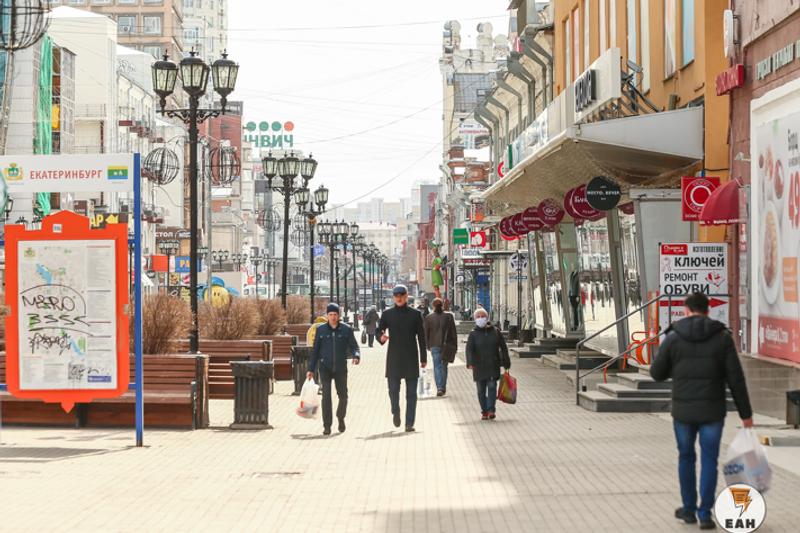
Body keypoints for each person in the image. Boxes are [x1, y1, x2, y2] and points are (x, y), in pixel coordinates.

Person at [650, 292, 753, 530]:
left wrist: (675, 365)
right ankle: (705, 514)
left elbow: (656, 373)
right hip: (712, 412)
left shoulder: (673, 337)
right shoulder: (722, 337)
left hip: (683, 412)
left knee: (686, 457)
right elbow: (736, 379)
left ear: (686, 310)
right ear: (708, 311)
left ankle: (688, 510)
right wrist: (746, 414)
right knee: (709, 460)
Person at [377, 284, 427, 432]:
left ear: (406, 296)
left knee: (411, 394)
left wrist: (423, 358)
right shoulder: (387, 314)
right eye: (396, 296)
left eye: (401, 296)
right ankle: (395, 410)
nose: (399, 298)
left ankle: (409, 423)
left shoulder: (415, 314)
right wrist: (381, 337)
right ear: (393, 297)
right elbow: (379, 330)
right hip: (394, 358)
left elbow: (422, 338)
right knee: (393, 391)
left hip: (411, 357)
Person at [307, 303, 361, 436]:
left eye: (335, 314)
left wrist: (356, 356)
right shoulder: (321, 330)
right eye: (330, 315)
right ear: (327, 315)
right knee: (326, 397)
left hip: (341, 368)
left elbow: (355, 346)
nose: (333, 317)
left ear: (339, 315)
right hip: (325, 367)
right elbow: (315, 351)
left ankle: (340, 417)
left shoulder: (346, 329)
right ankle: (327, 426)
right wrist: (311, 369)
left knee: (343, 396)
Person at [465, 308, 510, 420]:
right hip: (478, 366)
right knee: (481, 391)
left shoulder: (495, 332)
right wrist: (470, 362)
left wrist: (506, 362)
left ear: (487, 318)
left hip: (492, 364)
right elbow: (469, 350)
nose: (480, 318)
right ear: (475, 319)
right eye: (478, 317)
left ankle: (491, 410)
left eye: (483, 316)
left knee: (492, 387)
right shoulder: (473, 334)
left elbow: (503, 347)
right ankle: (484, 411)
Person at [424, 297, 457, 396]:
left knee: (437, 366)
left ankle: (439, 387)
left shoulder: (429, 318)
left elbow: (426, 333)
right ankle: (442, 387)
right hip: (446, 345)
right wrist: (455, 345)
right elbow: (453, 332)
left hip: (434, 345)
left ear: (433, 306)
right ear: (442, 305)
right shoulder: (449, 316)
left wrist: (427, 345)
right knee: (444, 366)